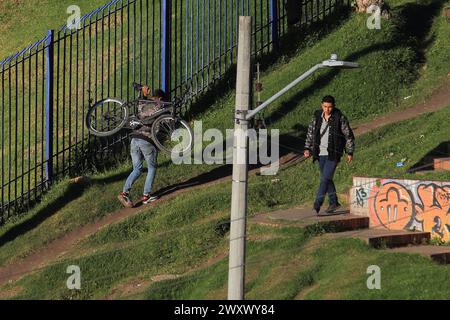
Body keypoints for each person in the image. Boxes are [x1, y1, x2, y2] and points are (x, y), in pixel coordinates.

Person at [304, 95, 355, 215]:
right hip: (319, 153)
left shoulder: (339, 117)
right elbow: (310, 133)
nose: (327, 109)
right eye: (325, 106)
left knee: (325, 178)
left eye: (330, 107)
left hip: (334, 153)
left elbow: (348, 135)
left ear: (334, 106)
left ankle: (317, 204)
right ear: (321, 105)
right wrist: (307, 148)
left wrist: (350, 151)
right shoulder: (317, 116)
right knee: (327, 179)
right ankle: (334, 202)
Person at [117, 86, 166, 208]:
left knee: (137, 169)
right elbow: (163, 124)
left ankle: (124, 193)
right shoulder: (159, 107)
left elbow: (139, 100)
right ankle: (146, 195)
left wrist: (143, 93)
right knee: (152, 167)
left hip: (134, 140)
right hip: (146, 140)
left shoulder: (143, 104)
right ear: (160, 98)